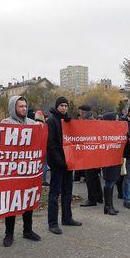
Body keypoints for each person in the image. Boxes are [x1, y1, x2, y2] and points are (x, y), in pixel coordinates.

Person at [1, 96, 42, 247]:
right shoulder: (5, 124)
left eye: (25, 106)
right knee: (12, 203)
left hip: (29, 170)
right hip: (12, 171)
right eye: (20, 106)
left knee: (28, 200)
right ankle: (9, 234)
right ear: (13, 108)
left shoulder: (33, 124)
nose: (24, 109)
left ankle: (28, 230)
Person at [47, 97, 82, 235]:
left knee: (67, 191)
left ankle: (67, 218)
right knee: (54, 194)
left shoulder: (68, 121)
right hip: (57, 164)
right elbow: (50, 144)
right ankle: (53, 223)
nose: (64, 108)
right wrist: (60, 161)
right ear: (57, 107)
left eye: (66, 105)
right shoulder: (51, 121)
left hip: (69, 162)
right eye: (61, 105)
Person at [78, 104, 103, 207]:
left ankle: (92, 199)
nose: (79, 114)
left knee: (90, 177)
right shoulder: (93, 120)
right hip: (94, 153)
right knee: (94, 177)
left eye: (80, 112)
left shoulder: (87, 122)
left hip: (89, 153)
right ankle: (99, 197)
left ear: (83, 112)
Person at [101, 112, 122, 215]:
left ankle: (110, 205)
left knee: (113, 181)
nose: (118, 121)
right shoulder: (105, 132)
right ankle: (107, 206)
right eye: (116, 119)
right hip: (108, 160)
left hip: (115, 159)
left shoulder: (116, 130)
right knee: (109, 182)